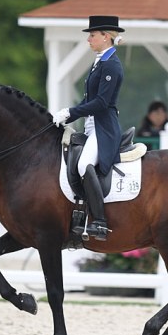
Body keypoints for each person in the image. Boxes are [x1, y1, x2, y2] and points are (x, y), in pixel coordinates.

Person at [52, 15, 125, 241]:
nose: (89, 40)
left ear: (106, 36)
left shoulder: (111, 63)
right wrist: (69, 113)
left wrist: (72, 113)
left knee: (84, 164)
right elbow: (88, 100)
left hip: (104, 128)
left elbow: (102, 102)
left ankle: (100, 222)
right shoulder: (100, 61)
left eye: (92, 35)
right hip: (92, 125)